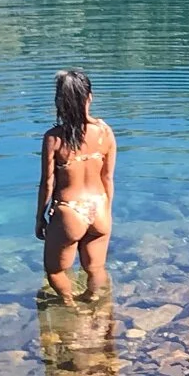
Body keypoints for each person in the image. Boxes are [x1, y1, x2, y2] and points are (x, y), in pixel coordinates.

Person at [36, 68, 114, 301]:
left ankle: (70, 305)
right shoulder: (104, 132)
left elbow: (47, 183)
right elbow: (108, 178)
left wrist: (40, 217)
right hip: (99, 208)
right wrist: (107, 212)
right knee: (95, 268)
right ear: (90, 97)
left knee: (55, 270)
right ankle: (92, 298)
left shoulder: (54, 138)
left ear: (59, 101)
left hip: (70, 210)